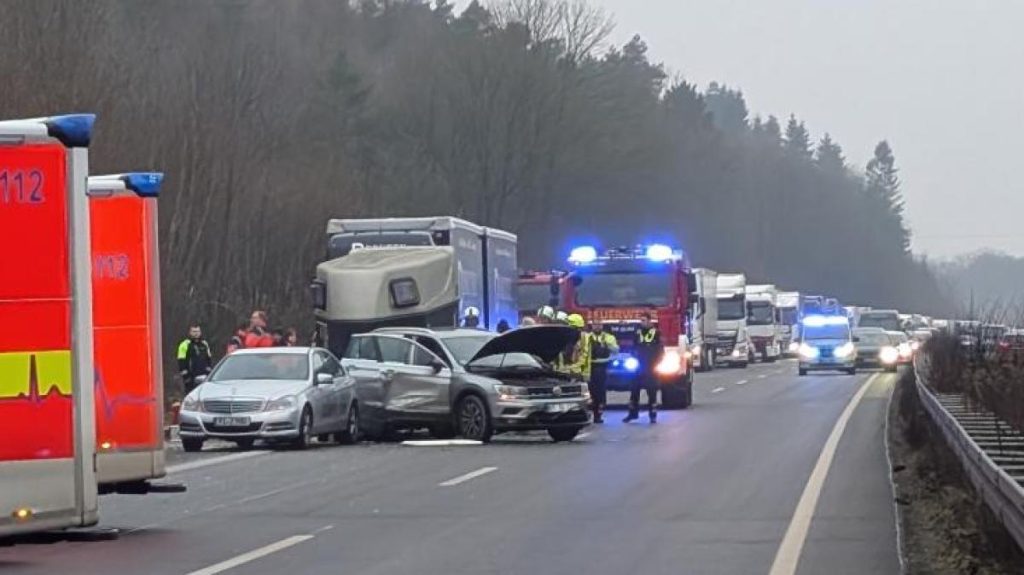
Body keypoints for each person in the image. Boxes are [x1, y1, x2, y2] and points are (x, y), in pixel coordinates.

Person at [625, 313, 661, 423]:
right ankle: (632, 414)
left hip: (651, 367)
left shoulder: (656, 333)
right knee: (634, 391)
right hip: (639, 367)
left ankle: (652, 414)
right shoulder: (637, 332)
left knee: (652, 392)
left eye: (644, 320)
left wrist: (656, 362)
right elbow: (633, 346)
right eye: (641, 320)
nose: (642, 322)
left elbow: (660, 350)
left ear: (650, 321)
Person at [589, 320, 619, 423]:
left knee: (601, 391)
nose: (597, 327)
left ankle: (599, 414)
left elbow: (616, 350)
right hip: (591, 366)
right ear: (591, 326)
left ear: (602, 326)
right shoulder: (587, 337)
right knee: (591, 391)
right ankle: (592, 411)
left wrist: (607, 345)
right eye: (595, 324)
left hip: (603, 366)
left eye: (599, 324)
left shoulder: (608, 337)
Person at [177, 324, 213, 395]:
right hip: (191, 377)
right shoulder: (184, 345)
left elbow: (208, 359)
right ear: (190, 332)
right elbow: (181, 362)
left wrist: (209, 373)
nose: (196, 333)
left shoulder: (204, 344)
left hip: (204, 376)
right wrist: (186, 377)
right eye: (194, 331)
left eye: (198, 331)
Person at [558, 314, 591, 382]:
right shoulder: (565, 338)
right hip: (563, 374)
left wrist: (567, 369)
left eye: (570, 328)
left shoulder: (586, 339)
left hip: (578, 375)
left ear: (578, 329)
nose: (567, 330)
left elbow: (583, 360)